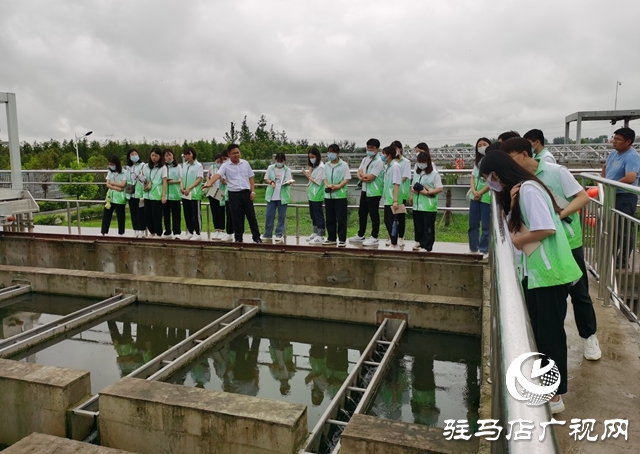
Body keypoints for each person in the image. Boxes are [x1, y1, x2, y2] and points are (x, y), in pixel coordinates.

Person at [480, 151, 582, 414]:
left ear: (498, 173)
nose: (488, 183)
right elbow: (523, 223)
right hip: (538, 273)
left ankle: (554, 396)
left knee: (550, 336)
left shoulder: (529, 189)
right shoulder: (520, 191)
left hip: (549, 272)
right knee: (539, 333)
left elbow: (545, 228)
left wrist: (516, 241)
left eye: (488, 177)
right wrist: (512, 206)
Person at [501, 137, 601, 361]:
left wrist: (557, 216)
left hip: (567, 242)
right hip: (540, 248)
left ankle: (589, 335)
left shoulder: (557, 172)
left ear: (524, 153)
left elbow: (582, 197)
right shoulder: (520, 181)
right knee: (548, 310)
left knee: (579, 293)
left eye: (510, 158)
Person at [203, 143, 262, 243]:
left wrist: (252, 191)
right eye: (234, 153)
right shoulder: (225, 166)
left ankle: (256, 237)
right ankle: (238, 238)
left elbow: (251, 177)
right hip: (234, 194)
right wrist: (209, 183)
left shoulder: (245, 163)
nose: (236, 155)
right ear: (229, 154)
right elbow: (217, 175)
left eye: (238, 152)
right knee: (236, 217)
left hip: (246, 193)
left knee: (251, 216)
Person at [601, 127, 640, 269]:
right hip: (612, 196)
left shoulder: (632, 156)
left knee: (624, 230)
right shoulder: (613, 154)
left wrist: (611, 184)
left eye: (618, 139)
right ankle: (611, 258)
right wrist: (604, 181)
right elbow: (605, 168)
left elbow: (630, 177)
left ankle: (622, 260)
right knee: (613, 228)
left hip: (625, 197)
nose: (614, 142)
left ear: (628, 141)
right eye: (614, 138)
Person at [351, 138, 385, 246]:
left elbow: (371, 177)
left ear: (377, 149)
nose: (369, 149)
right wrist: (362, 177)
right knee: (362, 213)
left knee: (374, 214)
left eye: (372, 148)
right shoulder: (365, 159)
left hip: (374, 191)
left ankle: (374, 236)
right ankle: (361, 235)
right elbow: (359, 172)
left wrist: (363, 176)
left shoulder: (379, 161)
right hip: (365, 190)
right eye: (368, 147)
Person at [409, 145, 442, 252]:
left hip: (428, 205)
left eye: (423, 161)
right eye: (419, 161)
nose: (421, 164)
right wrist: (413, 191)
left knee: (428, 228)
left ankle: (427, 246)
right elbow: (413, 185)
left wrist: (427, 192)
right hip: (418, 205)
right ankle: (420, 243)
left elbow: (439, 188)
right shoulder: (417, 173)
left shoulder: (434, 174)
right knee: (419, 226)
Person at [468, 137, 492, 256]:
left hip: (486, 197)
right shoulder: (477, 162)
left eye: (484, 144)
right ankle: (473, 248)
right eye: (479, 145)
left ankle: (484, 249)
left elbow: (491, 181)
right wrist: (473, 191)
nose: (482, 147)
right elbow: (472, 177)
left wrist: (480, 192)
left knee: (486, 226)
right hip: (475, 197)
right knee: (473, 224)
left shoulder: (492, 160)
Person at [323, 144, 351, 246]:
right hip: (328, 196)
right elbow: (324, 177)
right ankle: (331, 238)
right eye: (329, 152)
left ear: (338, 153)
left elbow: (346, 178)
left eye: (333, 152)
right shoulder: (326, 165)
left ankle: (342, 239)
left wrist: (338, 187)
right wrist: (327, 185)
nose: (331, 154)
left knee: (341, 218)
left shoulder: (344, 165)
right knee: (330, 218)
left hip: (340, 196)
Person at [262, 153, 293, 243]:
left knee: (281, 216)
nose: (279, 163)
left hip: (282, 196)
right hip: (271, 196)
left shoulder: (287, 170)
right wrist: (271, 182)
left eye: (281, 161)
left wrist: (288, 183)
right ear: (275, 160)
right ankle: (267, 234)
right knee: (269, 215)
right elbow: (266, 178)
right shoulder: (270, 168)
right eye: (278, 161)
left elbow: (289, 179)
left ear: (284, 161)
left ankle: (279, 234)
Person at [207, 152, 233, 241]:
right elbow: (208, 176)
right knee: (214, 211)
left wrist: (223, 180)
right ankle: (216, 229)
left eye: (220, 161)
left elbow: (226, 181)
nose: (218, 163)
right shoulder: (212, 167)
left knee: (220, 211)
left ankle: (221, 230)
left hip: (221, 191)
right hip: (213, 190)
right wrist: (209, 182)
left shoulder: (224, 168)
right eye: (217, 161)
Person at [142, 147, 167, 238]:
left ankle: (158, 233)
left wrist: (164, 195)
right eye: (152, 155)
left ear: (160, 157)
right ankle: (152, 232)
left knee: (157, 215)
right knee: (147, 215)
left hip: (157, 195)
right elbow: (144, 178)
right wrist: (142, 180)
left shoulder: (163, 167)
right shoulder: (146, 166)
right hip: (147, 194)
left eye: (156, 156)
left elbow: (164, 182)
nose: (154, 157)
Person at [303, 147, 326, 245]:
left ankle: (321, 235)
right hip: (312, 194)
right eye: (310, 157)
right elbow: (311, 176)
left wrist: (308, 176)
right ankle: (316, 232)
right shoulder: (314, 166)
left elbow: (317, 181)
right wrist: (308, 171)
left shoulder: (321, 167)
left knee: (318, 215)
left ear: (317, 156)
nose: (311, 158)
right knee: (313, 215)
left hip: (317, 194)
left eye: (313, 157)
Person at [180, 147, 204, 241]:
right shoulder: (184, 165)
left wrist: (189, 188)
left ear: (193, 154)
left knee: (196, 214)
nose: (187, 156)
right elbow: (181, 177)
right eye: (185, 154)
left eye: (189, 154)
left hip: (194, 193)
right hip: (185, 194)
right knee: (187, 213)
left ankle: (198, 233)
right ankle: (190, 232)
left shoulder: (198, 165)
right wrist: (182, 187)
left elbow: (199, 178)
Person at [380, 146, 401, 248]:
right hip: (387, 199)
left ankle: (394, 243)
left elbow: (396, 183)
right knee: (387, 221)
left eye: (383, 154)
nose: (382, 156)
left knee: (392, 222)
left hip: (393, 199)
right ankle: (393, 242)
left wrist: (395, 200)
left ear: (389, 155)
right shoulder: (387, 166)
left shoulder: (395, 166)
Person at [101, 155, 127, 236]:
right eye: (110, 164)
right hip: (110, 197)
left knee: (120, 215)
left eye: (112, 164)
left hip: (120, 198)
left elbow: (123, 185)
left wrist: (112, 184)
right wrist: (116, 187)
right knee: (106, 214)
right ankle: (103, 231)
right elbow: (107, 184)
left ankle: (121, 232)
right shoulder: (110, 172)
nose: (111, 166)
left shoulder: (124, 172)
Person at [392, 140, 411, 246]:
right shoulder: (390, 162)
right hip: (391, 193)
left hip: (401, 192)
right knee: (390, 217)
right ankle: (391, 236)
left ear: (400, 149)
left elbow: (404, 177)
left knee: (400, 216)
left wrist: (395, 181)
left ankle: (401, 237)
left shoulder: (406, 162)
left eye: (396, 149)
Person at [125, 148, 146, 238]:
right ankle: (135, 230)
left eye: (135, 154)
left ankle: (142, 230)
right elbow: (127, 180)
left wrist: (139, 176)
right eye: (132, 154)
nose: (134, 156)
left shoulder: (143, 165)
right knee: (133, 212)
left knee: (140, 212)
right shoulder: (128, 168)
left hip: (140, 192)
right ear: (129, 157)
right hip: (131, 192)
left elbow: (145, 179)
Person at [162, 149, 182, 239]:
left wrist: (171, 181)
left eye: (170, 155)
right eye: (166, 155)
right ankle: (167, 230)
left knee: (176, 214)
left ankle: (177, 232)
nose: (168, 157)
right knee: (166, 214)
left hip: (175, 194)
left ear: (173, 156)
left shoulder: (178, 167)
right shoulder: (163, 167)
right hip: (165, 195)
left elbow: (181, 179)